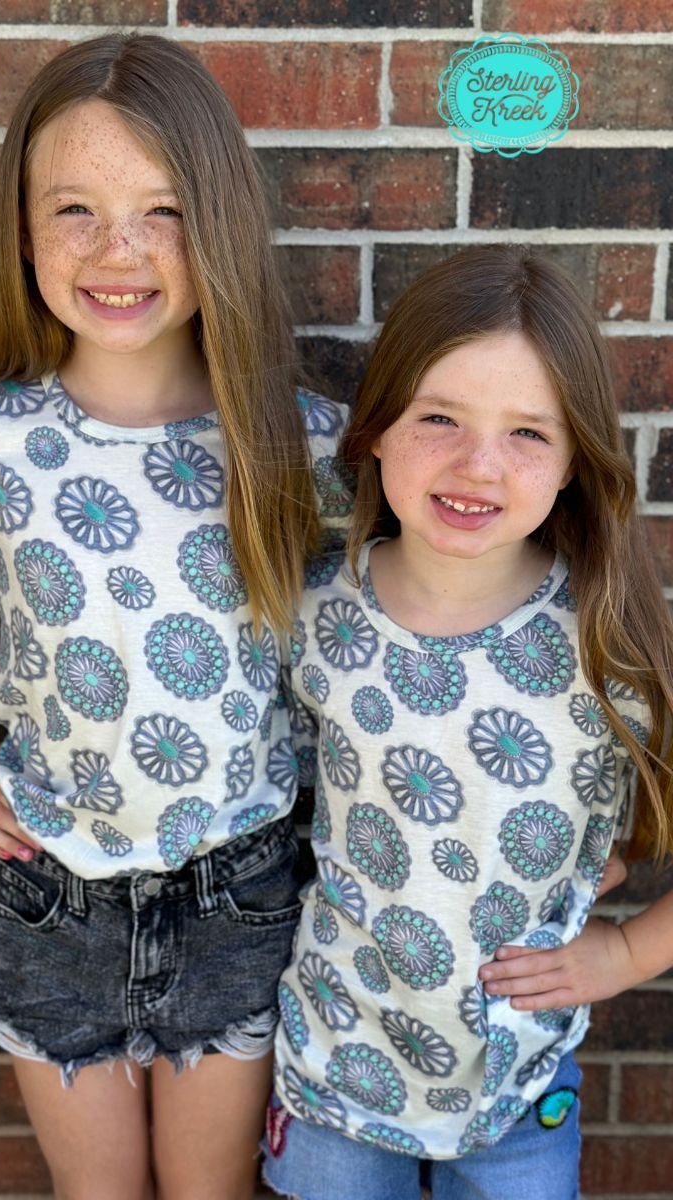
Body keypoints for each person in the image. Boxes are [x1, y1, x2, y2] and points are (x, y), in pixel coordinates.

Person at [0, 33, 350, 1200]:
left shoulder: (294, 441)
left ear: (217, 222)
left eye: (162, 211)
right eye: (74, 209)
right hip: (52, 898)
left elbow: (428, 602)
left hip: (238, 893)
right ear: (22, 230)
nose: (116, 248)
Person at [262, 246, 673, 1200]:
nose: (477, 465)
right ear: (375, 429)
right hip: (334, 1065)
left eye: (528, 432)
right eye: (439, 417)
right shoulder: (317, 612)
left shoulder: (606, 643)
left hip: (516, 1090)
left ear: (574, 463)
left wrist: (624, 951)